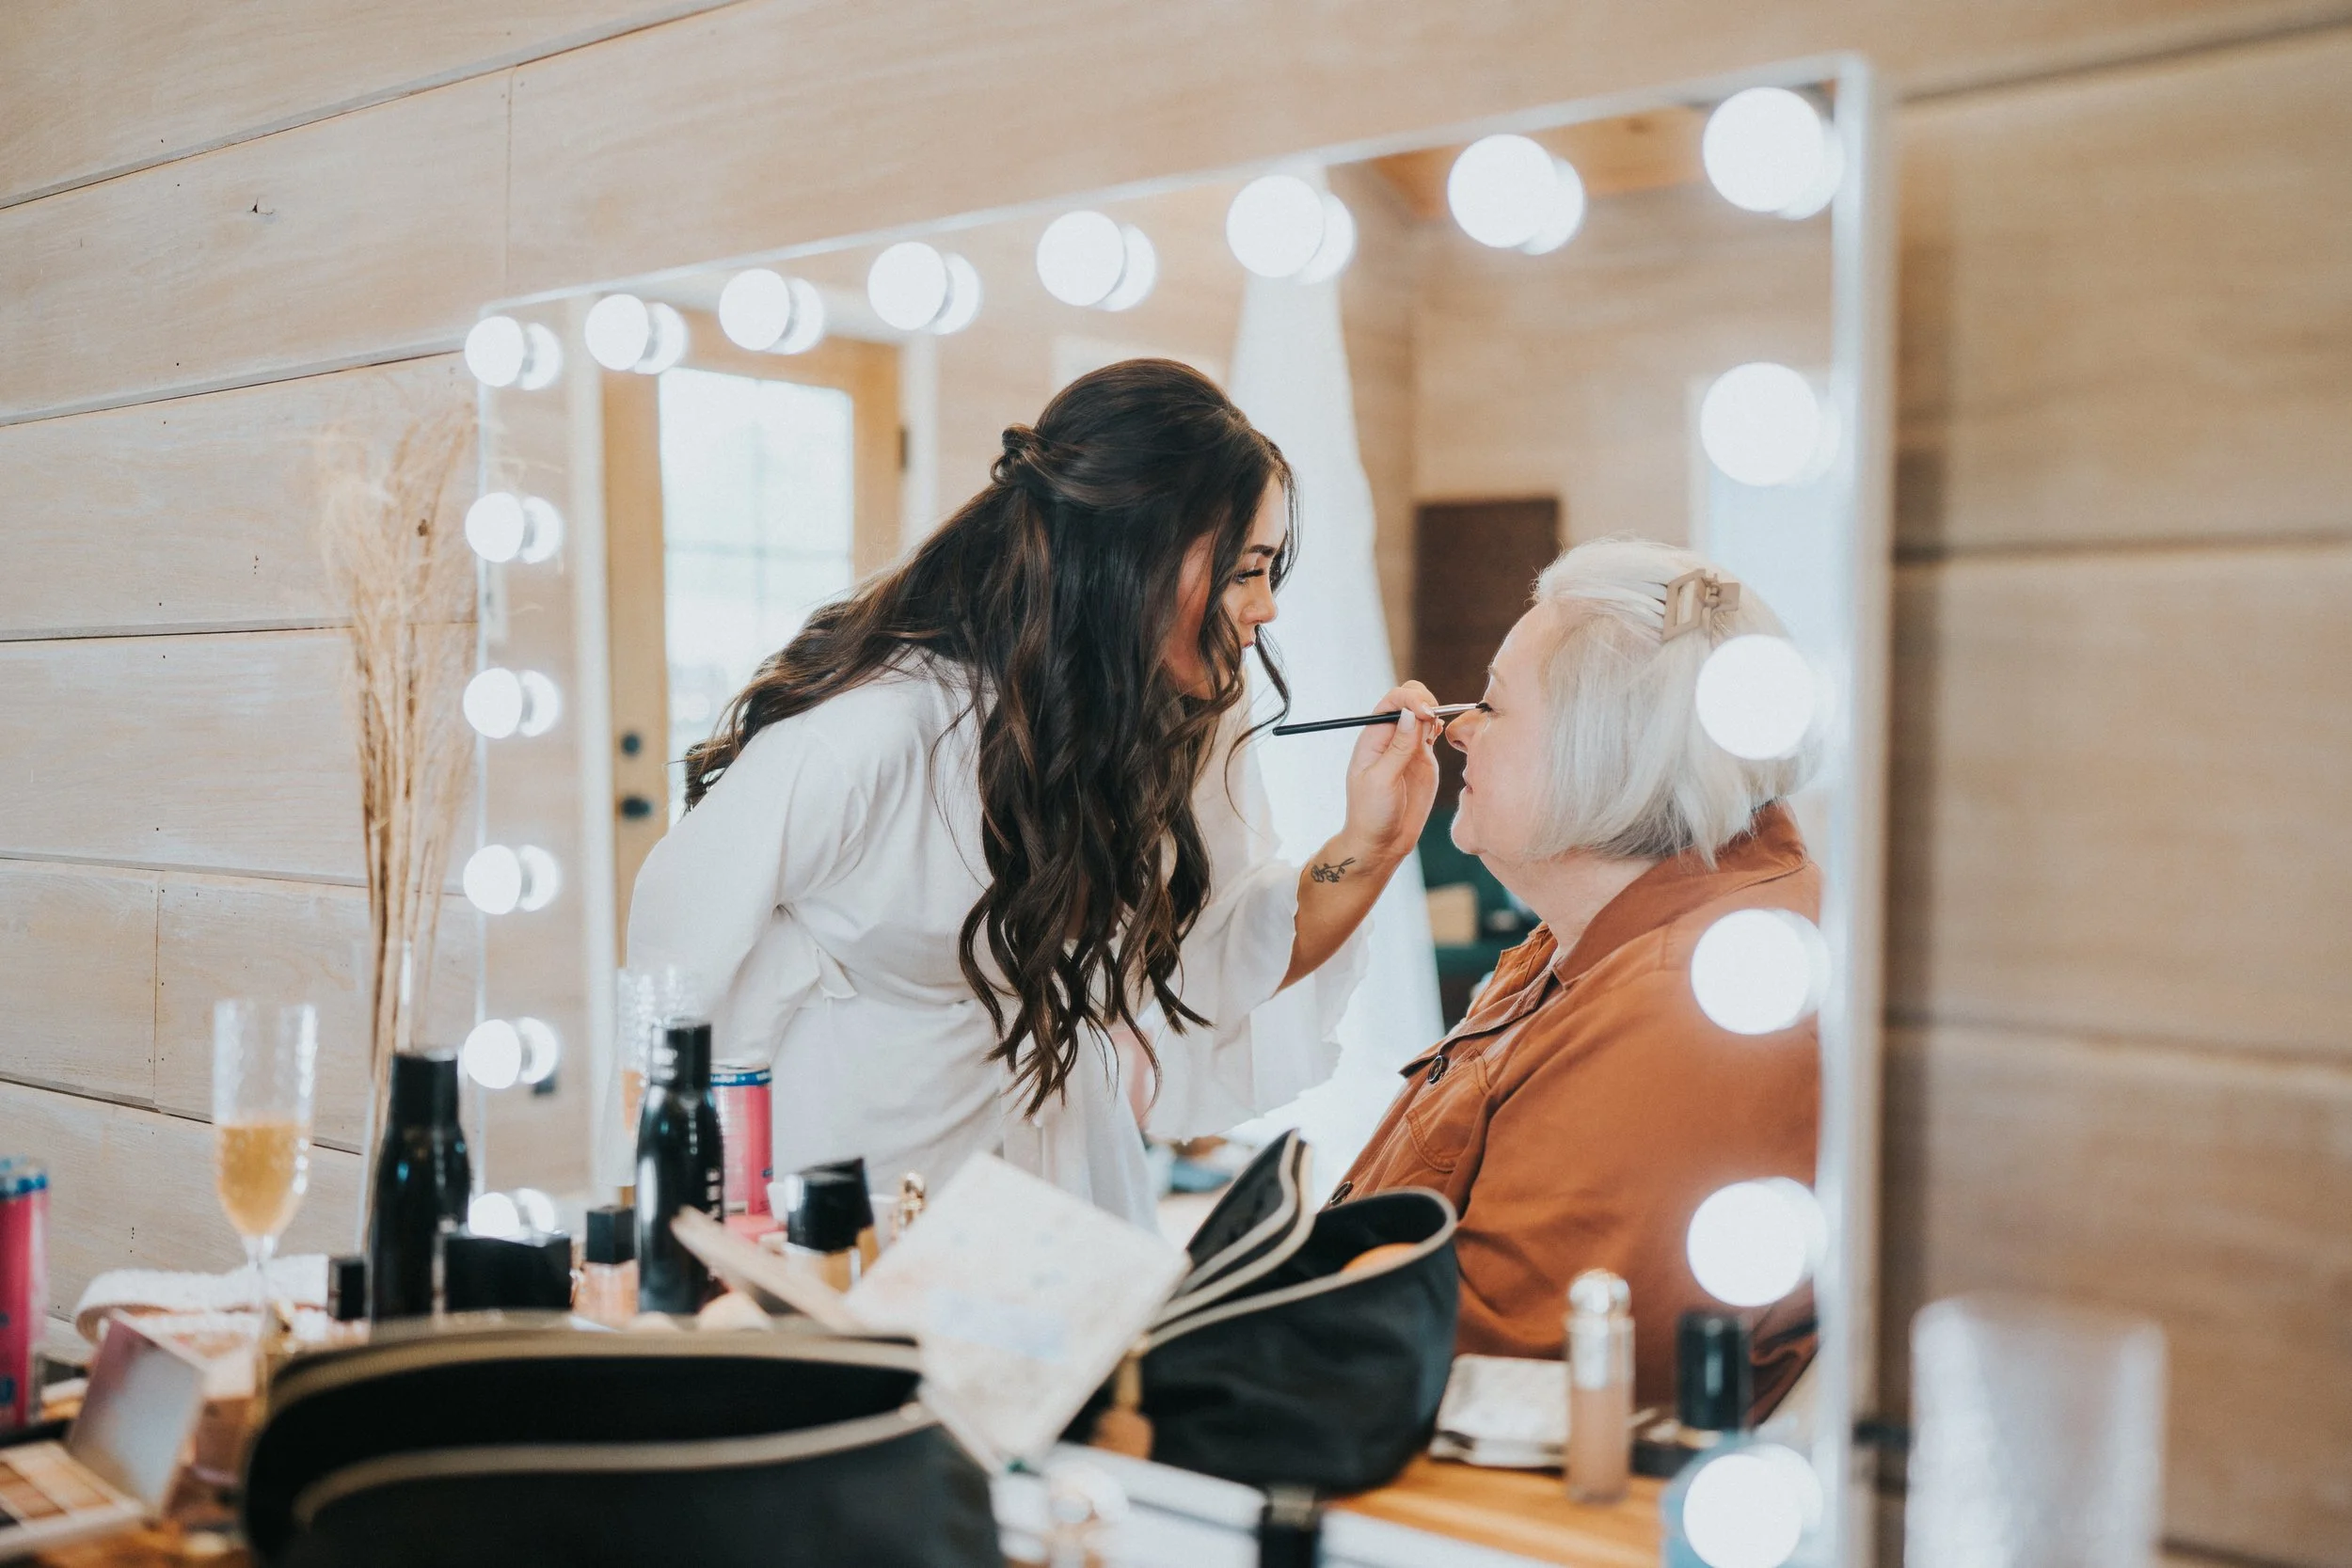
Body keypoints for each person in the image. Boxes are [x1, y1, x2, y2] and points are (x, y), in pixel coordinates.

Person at [628, 359, 1441, 1223]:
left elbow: (1221, 953)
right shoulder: (872, 731)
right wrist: (674, 1231)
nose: (1266, 607)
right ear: (1134, 553)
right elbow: (674, 978)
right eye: (1248, 569)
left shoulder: (1173, 714)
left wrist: (1374, 840)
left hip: (1059, 1155)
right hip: (852, 1168)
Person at [1338, 537, 1820, 1417]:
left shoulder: (1690, 1005)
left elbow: (1497, 1367)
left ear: (1604, 748)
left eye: (1492, 703)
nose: (1456, 728)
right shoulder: (1593, 938)